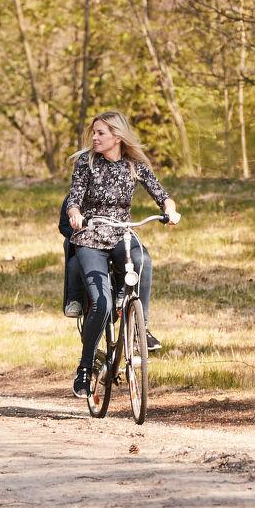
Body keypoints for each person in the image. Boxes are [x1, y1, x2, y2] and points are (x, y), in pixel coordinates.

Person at [64, 110, 179, 398]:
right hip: (90, 236)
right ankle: (85, 366)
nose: (95, 137)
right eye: (94, 132)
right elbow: (74, 200)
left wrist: (169, 210)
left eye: (101, 133)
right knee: (101, 304)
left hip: (120, 233)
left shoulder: (134, 165)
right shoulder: (86, 163)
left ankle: (143, 331)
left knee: (143, 260)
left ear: (117, 136)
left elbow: (161, 193)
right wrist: (76, 214)